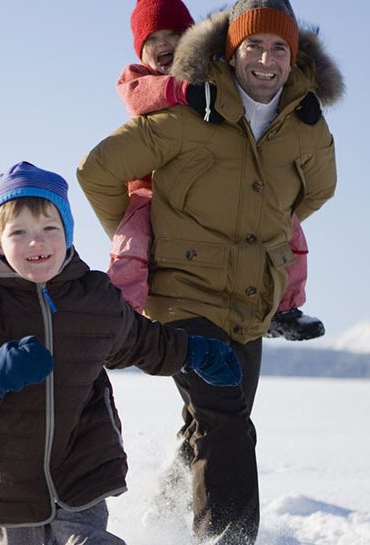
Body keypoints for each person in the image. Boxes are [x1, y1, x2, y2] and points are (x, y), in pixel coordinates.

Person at [77, 0, 343, 542]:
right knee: (227, 421)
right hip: (183, 297)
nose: (266, 61)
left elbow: (317, 192)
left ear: (293, 57)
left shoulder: (305, 124)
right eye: (254, 46)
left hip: (250, 300)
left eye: (279, 49)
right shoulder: (188, 112)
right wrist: (145, 226)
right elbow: (97, 171)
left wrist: (267, 237)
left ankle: (166, 513)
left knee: (212, 420)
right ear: (231, 50)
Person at [0, 161, 242, 545]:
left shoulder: (93, 297)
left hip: (83, 460)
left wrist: (195, 353)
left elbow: (141, 340)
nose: (36, 242)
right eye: (19, 232)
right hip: (6, 471)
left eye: (49, 229)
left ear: (68, 233)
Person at [110, 0, 325, 343]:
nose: (165, 44)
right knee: (132, 245)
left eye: (175, 34)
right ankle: (122, 314)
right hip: (150, 188)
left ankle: (284, 308)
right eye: (154, 39)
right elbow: (136, 98)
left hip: (204, 190)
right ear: (140, 50)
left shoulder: (214, 75)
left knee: (288, 232)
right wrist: (182, 90)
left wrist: (298, 101)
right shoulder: (138, 78)